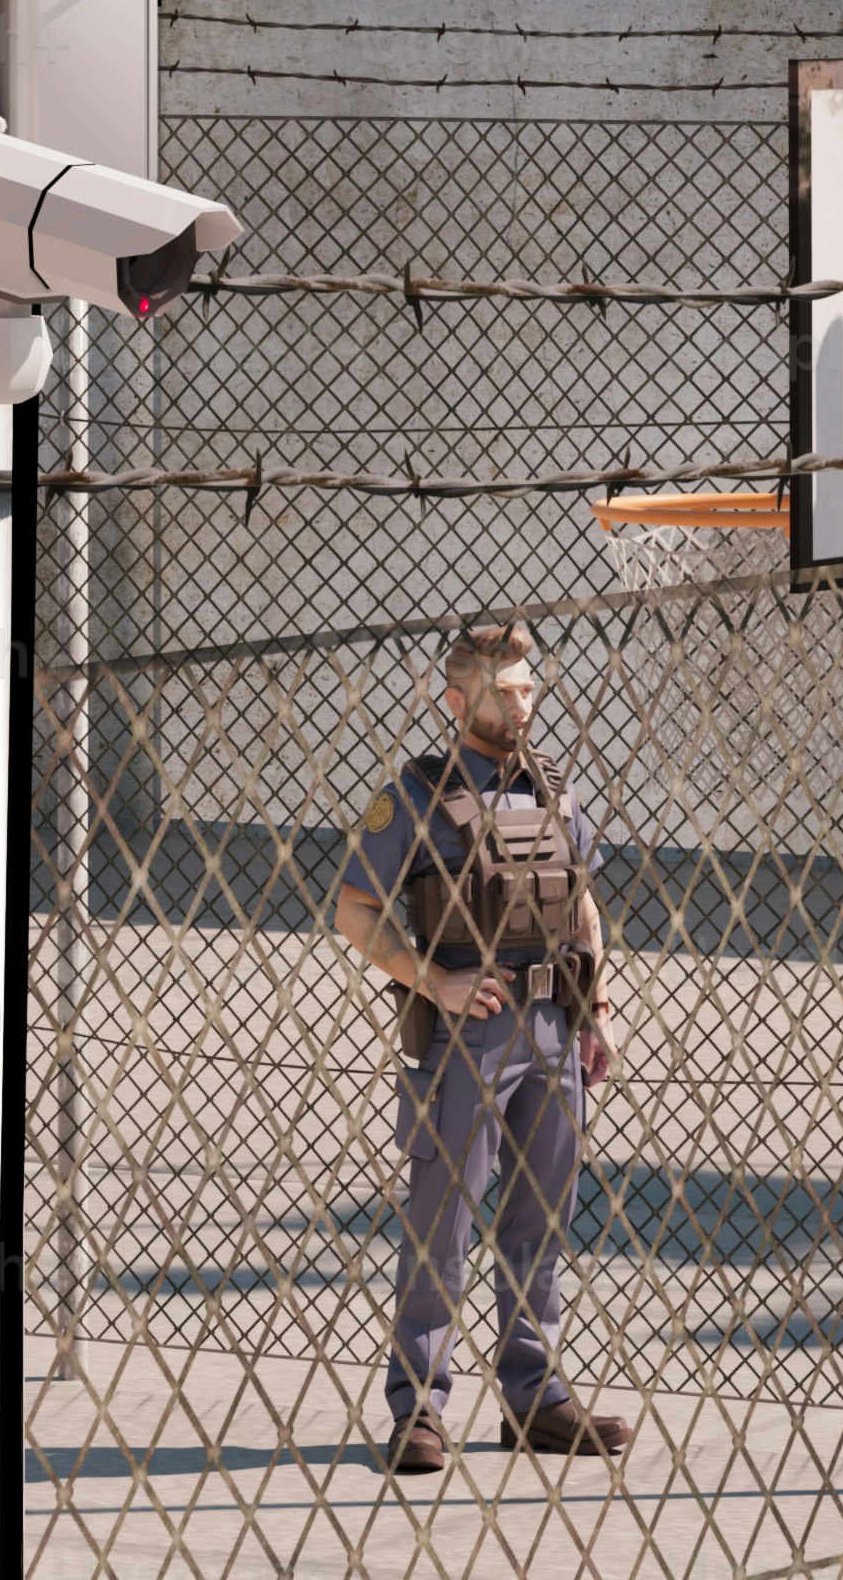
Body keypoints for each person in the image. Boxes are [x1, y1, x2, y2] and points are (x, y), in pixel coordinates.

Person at [334, 616, 636, 1478]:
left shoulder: (552, 789)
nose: (524, 698)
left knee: (540, 1220)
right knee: (442, 1222)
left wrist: (599, 1008)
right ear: (455, 696)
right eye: (507, 686)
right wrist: (436, 981)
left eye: (529, 683)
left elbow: (582, 907)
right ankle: (418, 1410)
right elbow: (352, 910)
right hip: (467, 1037)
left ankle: (533, 1400)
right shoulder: (416, 794)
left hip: (553, 1030)